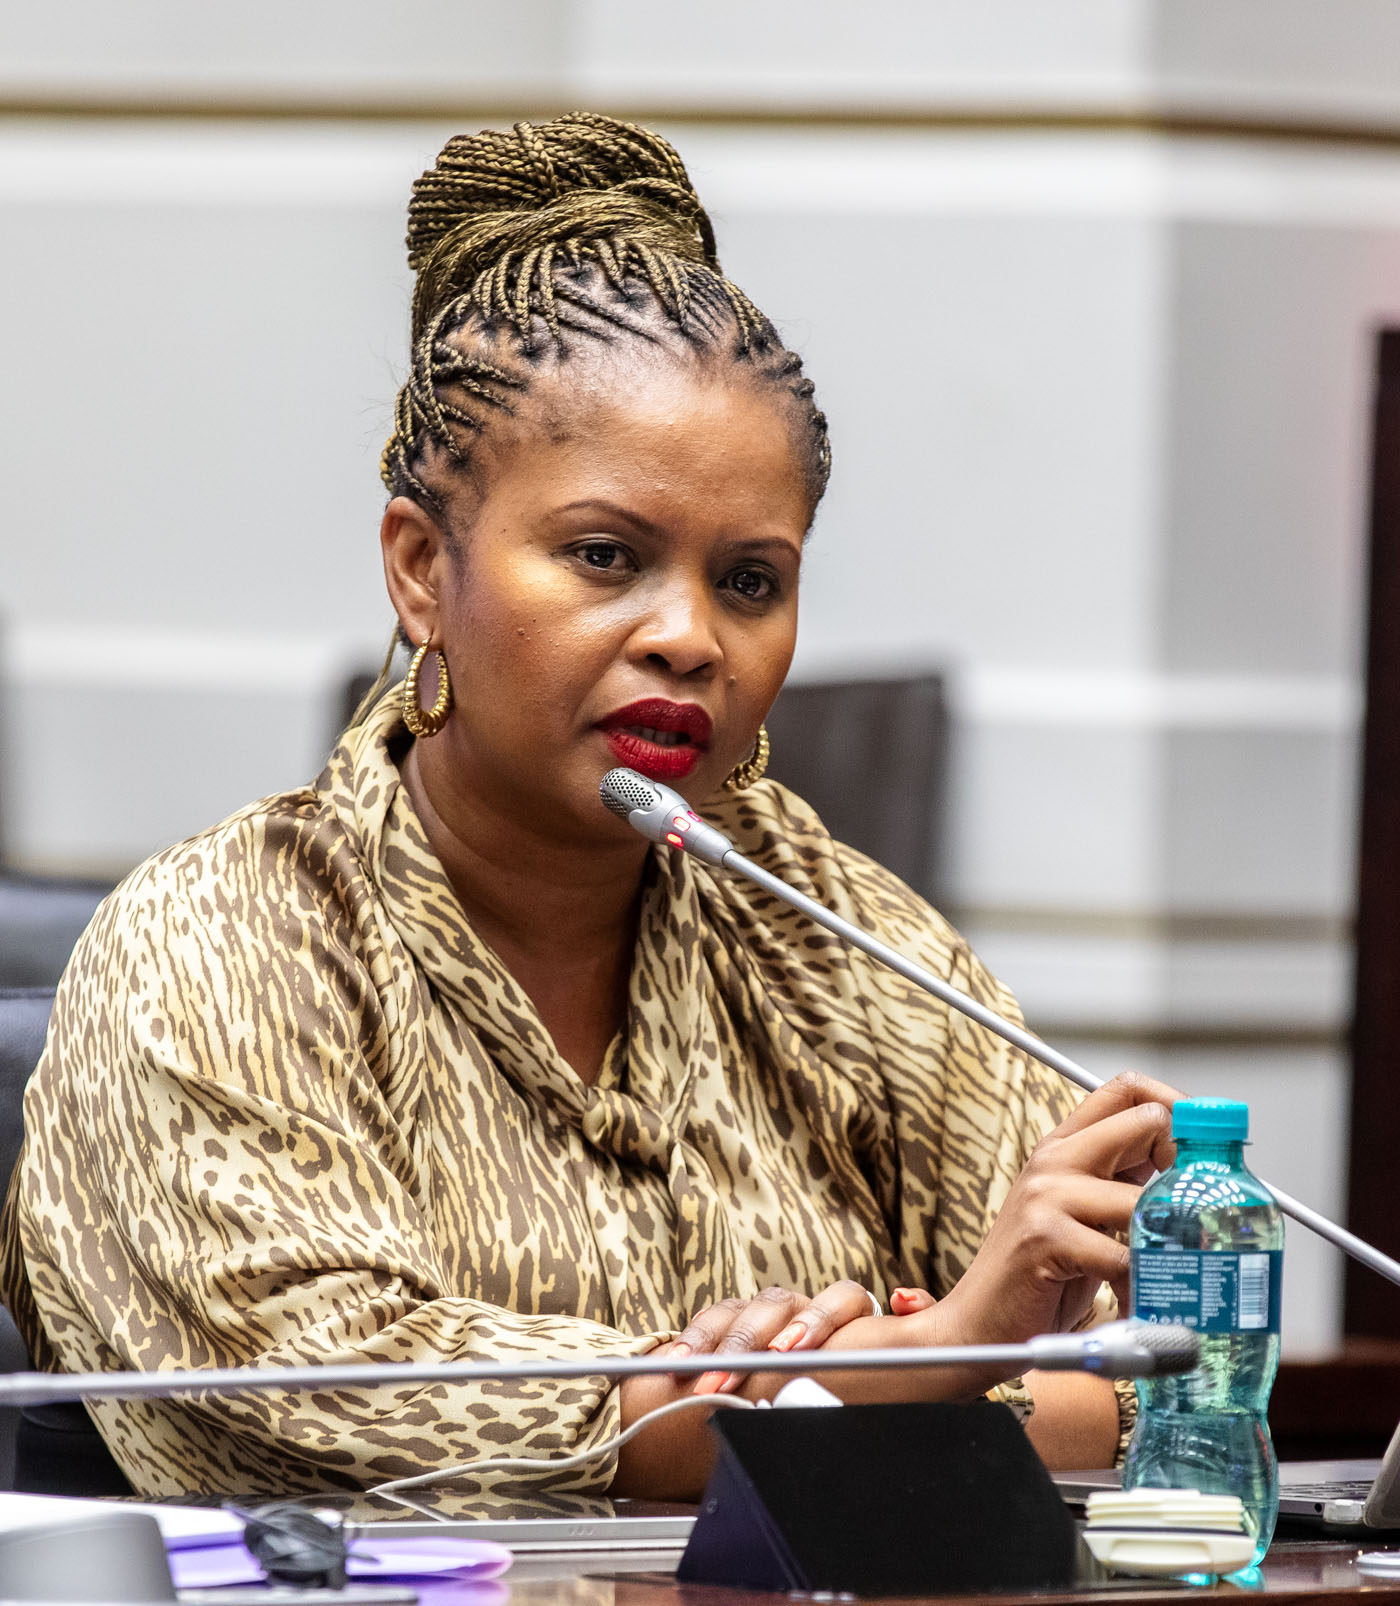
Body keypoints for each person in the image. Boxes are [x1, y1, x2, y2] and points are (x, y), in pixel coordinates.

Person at [0, 114, 1180, 1500]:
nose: (690, 637)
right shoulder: (223, 941)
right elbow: (360, 1412)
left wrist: (871, 1387)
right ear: (421, 569)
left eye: (750, 581)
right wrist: (920, 1366)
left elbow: (1170, 1376)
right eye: (606, 556)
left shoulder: (830, 936)